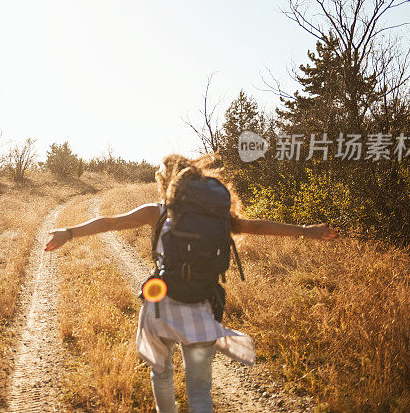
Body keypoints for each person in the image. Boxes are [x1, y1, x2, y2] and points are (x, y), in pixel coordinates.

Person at [44, 154, 338, 413]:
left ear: (167, 184)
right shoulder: (218, 216)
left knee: (161, 375)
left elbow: (108, 222)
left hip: (160, 309)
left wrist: (68, 233)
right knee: (199, 390)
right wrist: (306, 231)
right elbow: (256, 226)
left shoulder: (156, 211)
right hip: (202, 305)